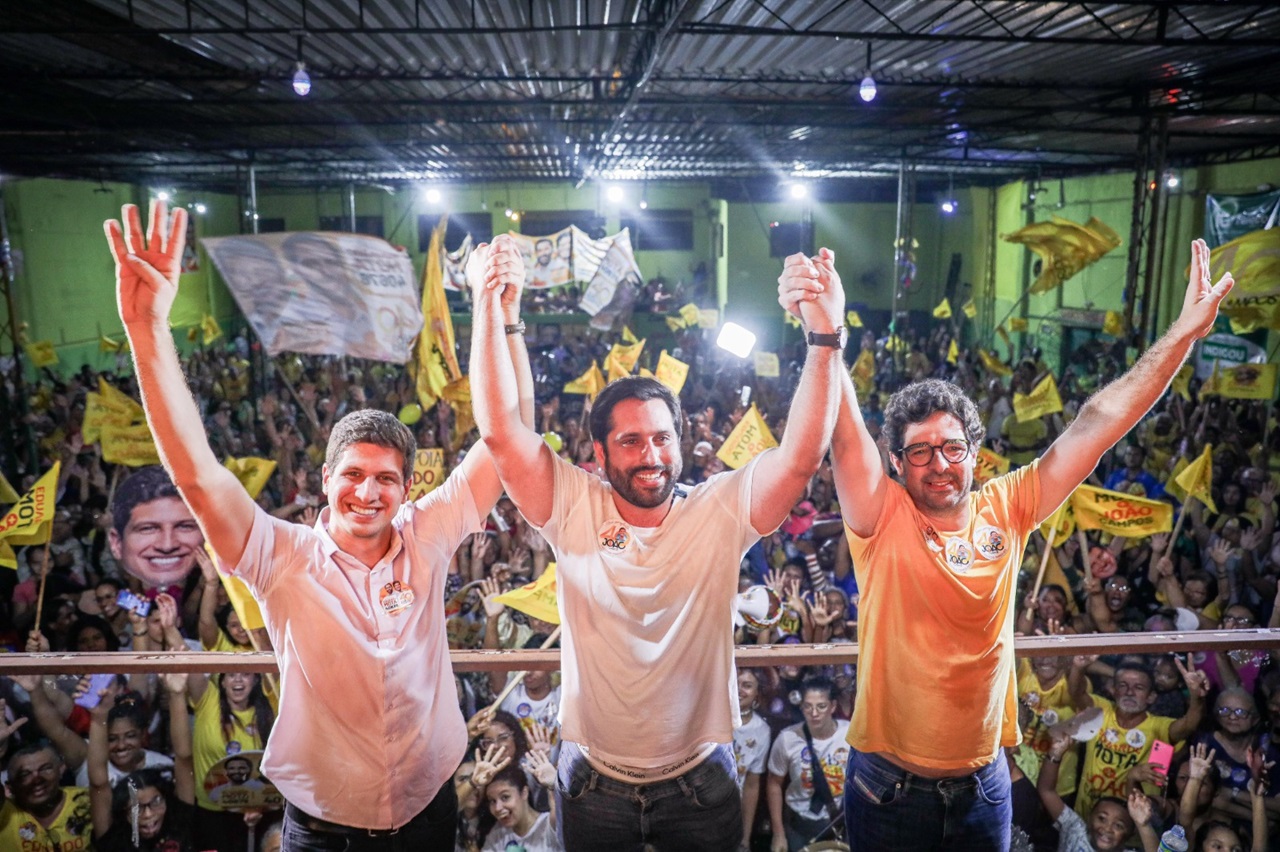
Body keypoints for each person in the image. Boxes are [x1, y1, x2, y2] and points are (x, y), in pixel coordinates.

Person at [777, 238, 1234, 851]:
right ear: (896, 461)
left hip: (985, 784)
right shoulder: (880, 514)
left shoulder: (1008, 505)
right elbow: (845, 432)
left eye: (952, 448)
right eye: (919, 452)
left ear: (974, 449)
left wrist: (1181, 335)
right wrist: (826, 333)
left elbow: (1096, 423)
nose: (938, 464)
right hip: (887, 787)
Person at [104, 200, 532, 847]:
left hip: (428, 811)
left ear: (406, 487)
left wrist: (500, 312)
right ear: (325, 480)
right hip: (324, 827)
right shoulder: (281, 555)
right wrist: (146, 332)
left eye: (386, 478)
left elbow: (508, 436)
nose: (368, 491)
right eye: (353, 475)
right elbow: (196, 473)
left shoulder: (429, 532)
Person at [472, 244, 846, 851]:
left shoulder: (717, 509)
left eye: (662, 438)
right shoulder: (573, 504)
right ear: (599, 453)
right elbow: (502, 430)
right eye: (630, 441)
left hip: (700, 782)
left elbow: (801, 457)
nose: (651, 456)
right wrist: (496, 310)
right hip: (592, 783)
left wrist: (825, 335)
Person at [766, 676, 850, 851]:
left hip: (840, 820)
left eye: (821, 706)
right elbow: (774, 784)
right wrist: (778, 834)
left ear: (833, 706)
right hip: (799, 823)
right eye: (808, 706)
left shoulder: (848, 734)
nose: (814, 713)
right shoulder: (787, 739)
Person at [0, 742, 95, 851]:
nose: (37, 779)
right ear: (10, 786)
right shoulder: (4, 812)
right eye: (25, 774)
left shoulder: (88, 800)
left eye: (45, 768)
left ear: (61, 769)